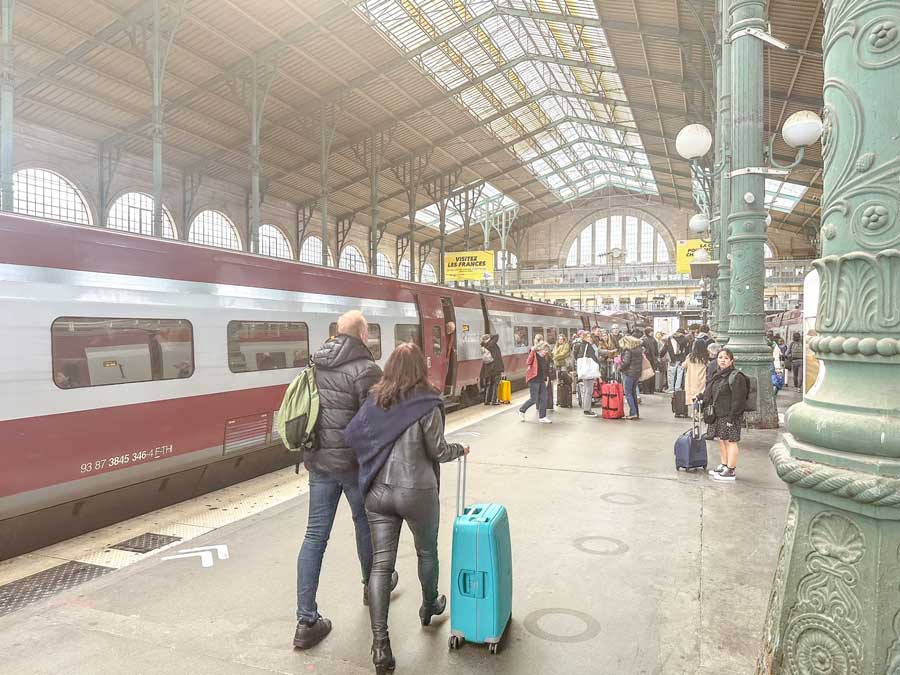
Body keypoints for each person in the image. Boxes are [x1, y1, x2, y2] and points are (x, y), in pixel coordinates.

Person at [343, 343, 468, 675]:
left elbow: (354, 436)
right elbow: (438, 451)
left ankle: (381, 645)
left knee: (381, 567)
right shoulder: (428, 401)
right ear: (420, 369)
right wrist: (460, 449)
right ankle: (429, 606)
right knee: (427, 551)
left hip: (378, 492)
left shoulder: (375, 400)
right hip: (417, 490)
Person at [294, 310, 392, 650]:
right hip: (354, 467)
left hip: (320, 463)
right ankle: (372, 588)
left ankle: (306, 621)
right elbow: (376, 426)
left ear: (337, 332)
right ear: (363, 335)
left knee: (314, 536)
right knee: (364, 524)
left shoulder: (315, 364)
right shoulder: (367, 370)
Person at [700, 348, 748, 482]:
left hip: (731, 415)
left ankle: (731, 470)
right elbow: (711, 393)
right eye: (720, 357)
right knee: (722, 440)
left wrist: (733, 417)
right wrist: (701, 399)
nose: (723, 360)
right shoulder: (718, 375)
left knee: (731, 441)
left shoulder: (736, 377)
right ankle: (724, 465)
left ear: (731, 361)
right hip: (719, 414)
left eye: (726, 358)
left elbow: (739, 399)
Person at [519, 343, 552, 423]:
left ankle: (542, 417)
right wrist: (532, 351)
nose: (546, 352)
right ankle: (522, 410)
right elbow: (528, 362)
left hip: (541, 380)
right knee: (534, 399)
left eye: (547, 350)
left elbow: (545, 368)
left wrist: (547, 377)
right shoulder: (534, 354)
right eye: (545, 350)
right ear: (540, 349)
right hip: (533, 379)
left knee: (544, 398)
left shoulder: (544, 357)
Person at [573, 332, 601, 418]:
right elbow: (594, 358)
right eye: (588, 337)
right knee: (589, 390)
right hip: (589, 370)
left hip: (584, 371)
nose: (590, 338)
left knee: (586, 390)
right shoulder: (588, 346)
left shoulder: (580, 345)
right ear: (585, 338)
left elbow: (576, 356)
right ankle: (587, 410)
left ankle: (586, 408)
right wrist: (598, 365)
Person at [619, 334, 643, 420]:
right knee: (633, 393)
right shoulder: (638, 349)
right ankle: (636, 412)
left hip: (628, 373)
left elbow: (626, 362)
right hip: (636, 373)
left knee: (628, 393)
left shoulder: (628, 350)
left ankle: (633, 413)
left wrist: (619, 367)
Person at [479, 334, 503, 405]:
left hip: (488, 369)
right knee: (496, 385)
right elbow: (496, 335)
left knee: (489, 385)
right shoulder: (491, 344)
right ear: (489, 338)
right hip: (495, 368)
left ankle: (486, 401)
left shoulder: (484, 345)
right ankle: (494, 401)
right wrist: (489, 336)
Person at [684, 338, 708, 405]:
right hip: (702, 378)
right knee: (700, 395)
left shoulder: (690, 357)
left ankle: (694, 411)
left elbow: (684, 365)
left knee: (692, 396)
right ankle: (698, 410)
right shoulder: (705, 357)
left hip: (691, 379)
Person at [641, 327, 660, 393]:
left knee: (647, 375)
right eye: (651, 331)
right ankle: (651, 390)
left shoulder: (643, 339)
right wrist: (656, 357)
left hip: (647, 359)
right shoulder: (653, 340)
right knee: (651, 374)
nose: (652, 333)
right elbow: (656, 351)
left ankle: (647, 390)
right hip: (651, 359)